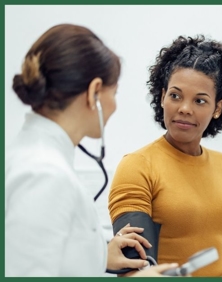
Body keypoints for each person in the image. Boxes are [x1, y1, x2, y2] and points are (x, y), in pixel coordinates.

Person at [5, 24, 179, 277]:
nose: (115, 106)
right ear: (94, 92)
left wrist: (98, 254)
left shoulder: (34, 157)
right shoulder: (45, 175)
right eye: (114, 93)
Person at [108, 35, 222, 277]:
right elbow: (135, 266)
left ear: (217, 108)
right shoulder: (137, 166)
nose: (185, 108)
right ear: (163, 97)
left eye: (200, 100)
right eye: (175, 95)